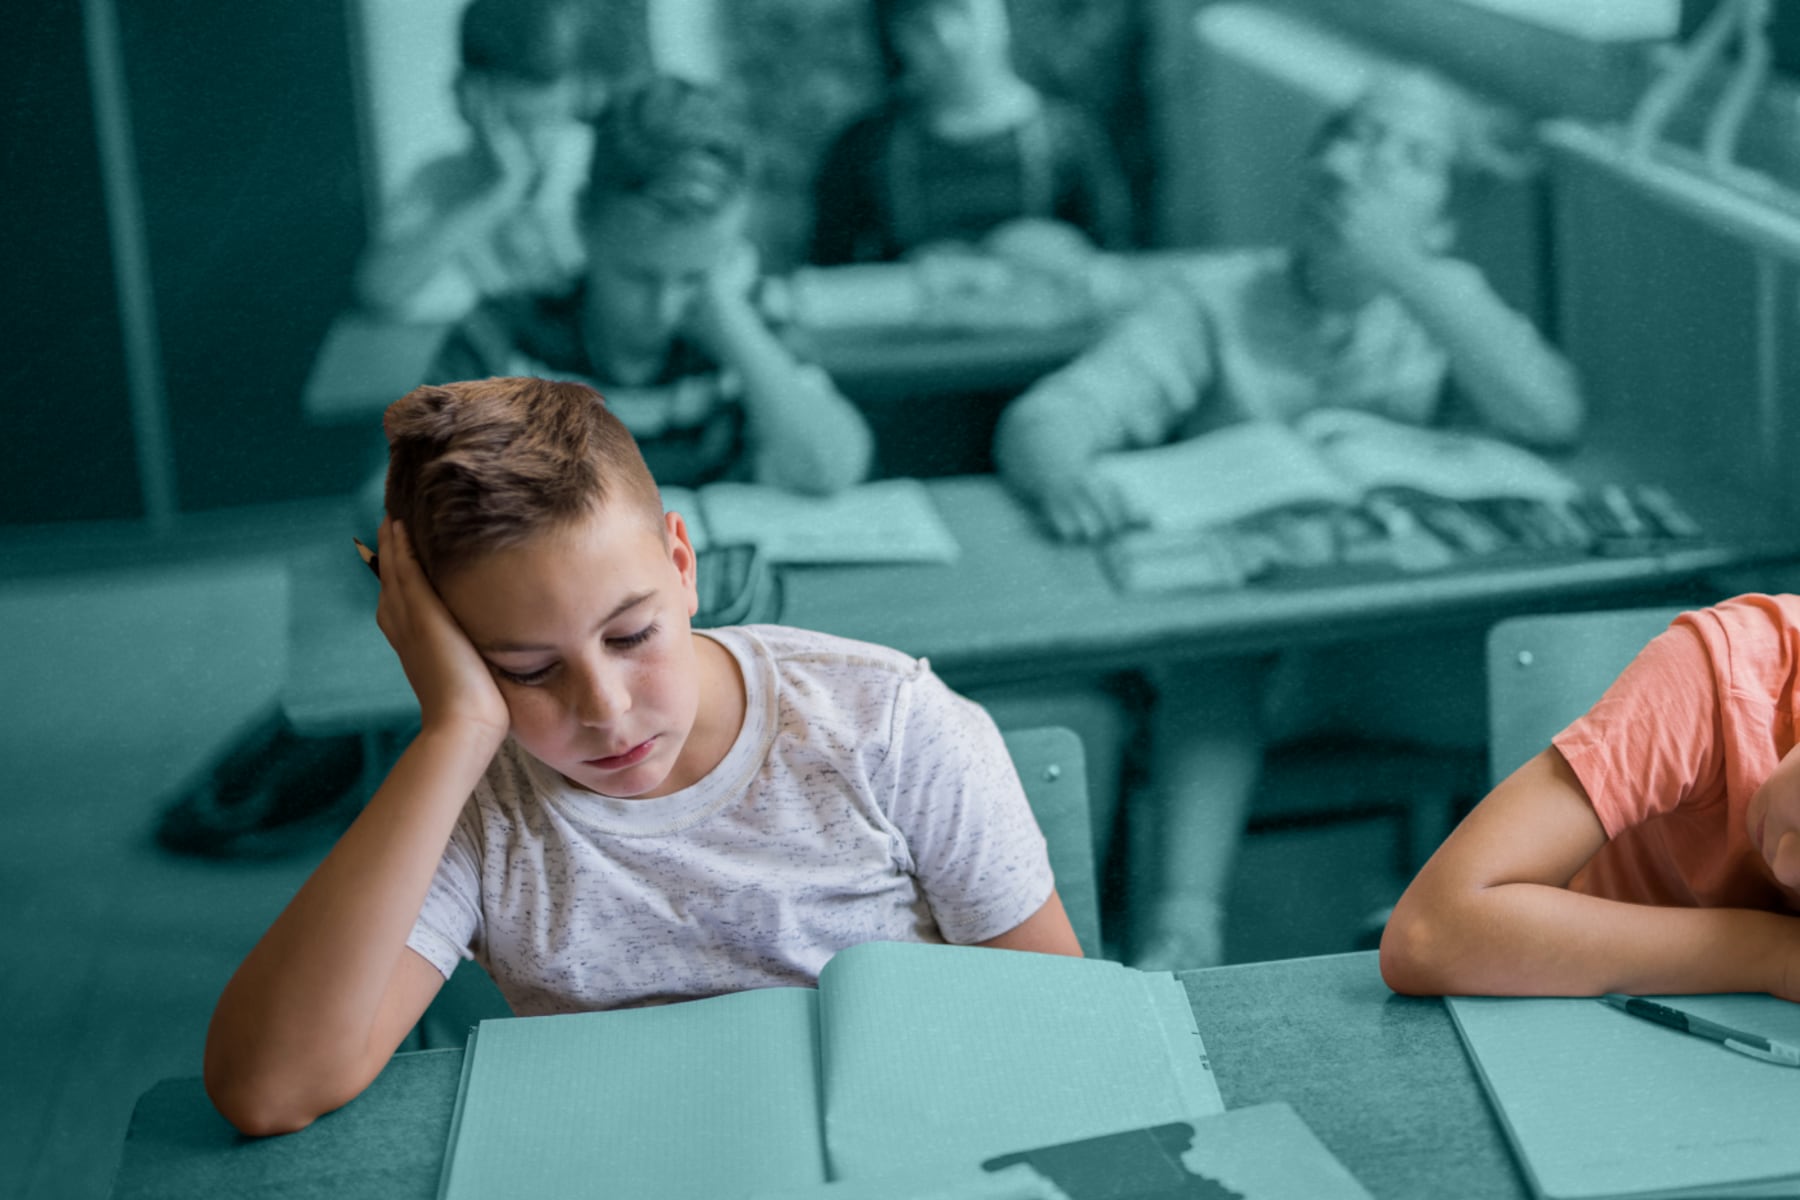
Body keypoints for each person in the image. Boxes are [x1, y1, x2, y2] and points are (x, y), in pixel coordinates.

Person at [205, 376, 1080, 1137]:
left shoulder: (886, 723)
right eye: (527, 670)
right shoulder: (471, 796)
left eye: (631, 634)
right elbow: (269, 1089)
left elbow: (1059, 1022)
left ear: (681, 563)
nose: (606, 710)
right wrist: (455, 733)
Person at [993, 69, 1585, 971]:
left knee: (1558, 660)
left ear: (1442, 218)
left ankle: (1502, 914)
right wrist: (1063, 469)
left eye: (1414, 156)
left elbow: (1550, 413)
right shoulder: (1215, 299)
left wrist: (1403, 267)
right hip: (1241, 676)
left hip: (1394, 659)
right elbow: (1053, 415)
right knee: (1220, 647)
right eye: (1360, 136)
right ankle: (1183, 933)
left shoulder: (1444, 300)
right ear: (1315, 170)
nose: (1375, 165)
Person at [429, 74, 874, 494]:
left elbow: (830, 467)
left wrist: (732, 324)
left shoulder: (748, 322)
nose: (664, 308)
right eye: (639, 276)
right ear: (584, 222)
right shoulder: (500, 335)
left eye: (694, 277)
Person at [1381, 593, 1800, 1001]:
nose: (1784, 867)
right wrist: (1775, 953)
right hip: (1577, 996)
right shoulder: (1722, 674)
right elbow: (1428, 934)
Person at [808, 0, 1130, 266]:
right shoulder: (865, 148)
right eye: (923, 25)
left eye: (960, 9)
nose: (949, 39)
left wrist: (1064, 253)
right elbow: (830, 274)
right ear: (895, 38)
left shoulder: (1067, 137)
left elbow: (1118, 262)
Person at [352, 0, 608, 324]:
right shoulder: (438, 182)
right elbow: (377, 290)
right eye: (515, 123)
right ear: (468, 98)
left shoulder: (598, 165)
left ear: (576, 94)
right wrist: (500, 192)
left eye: (550, 118)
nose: (535, 142)